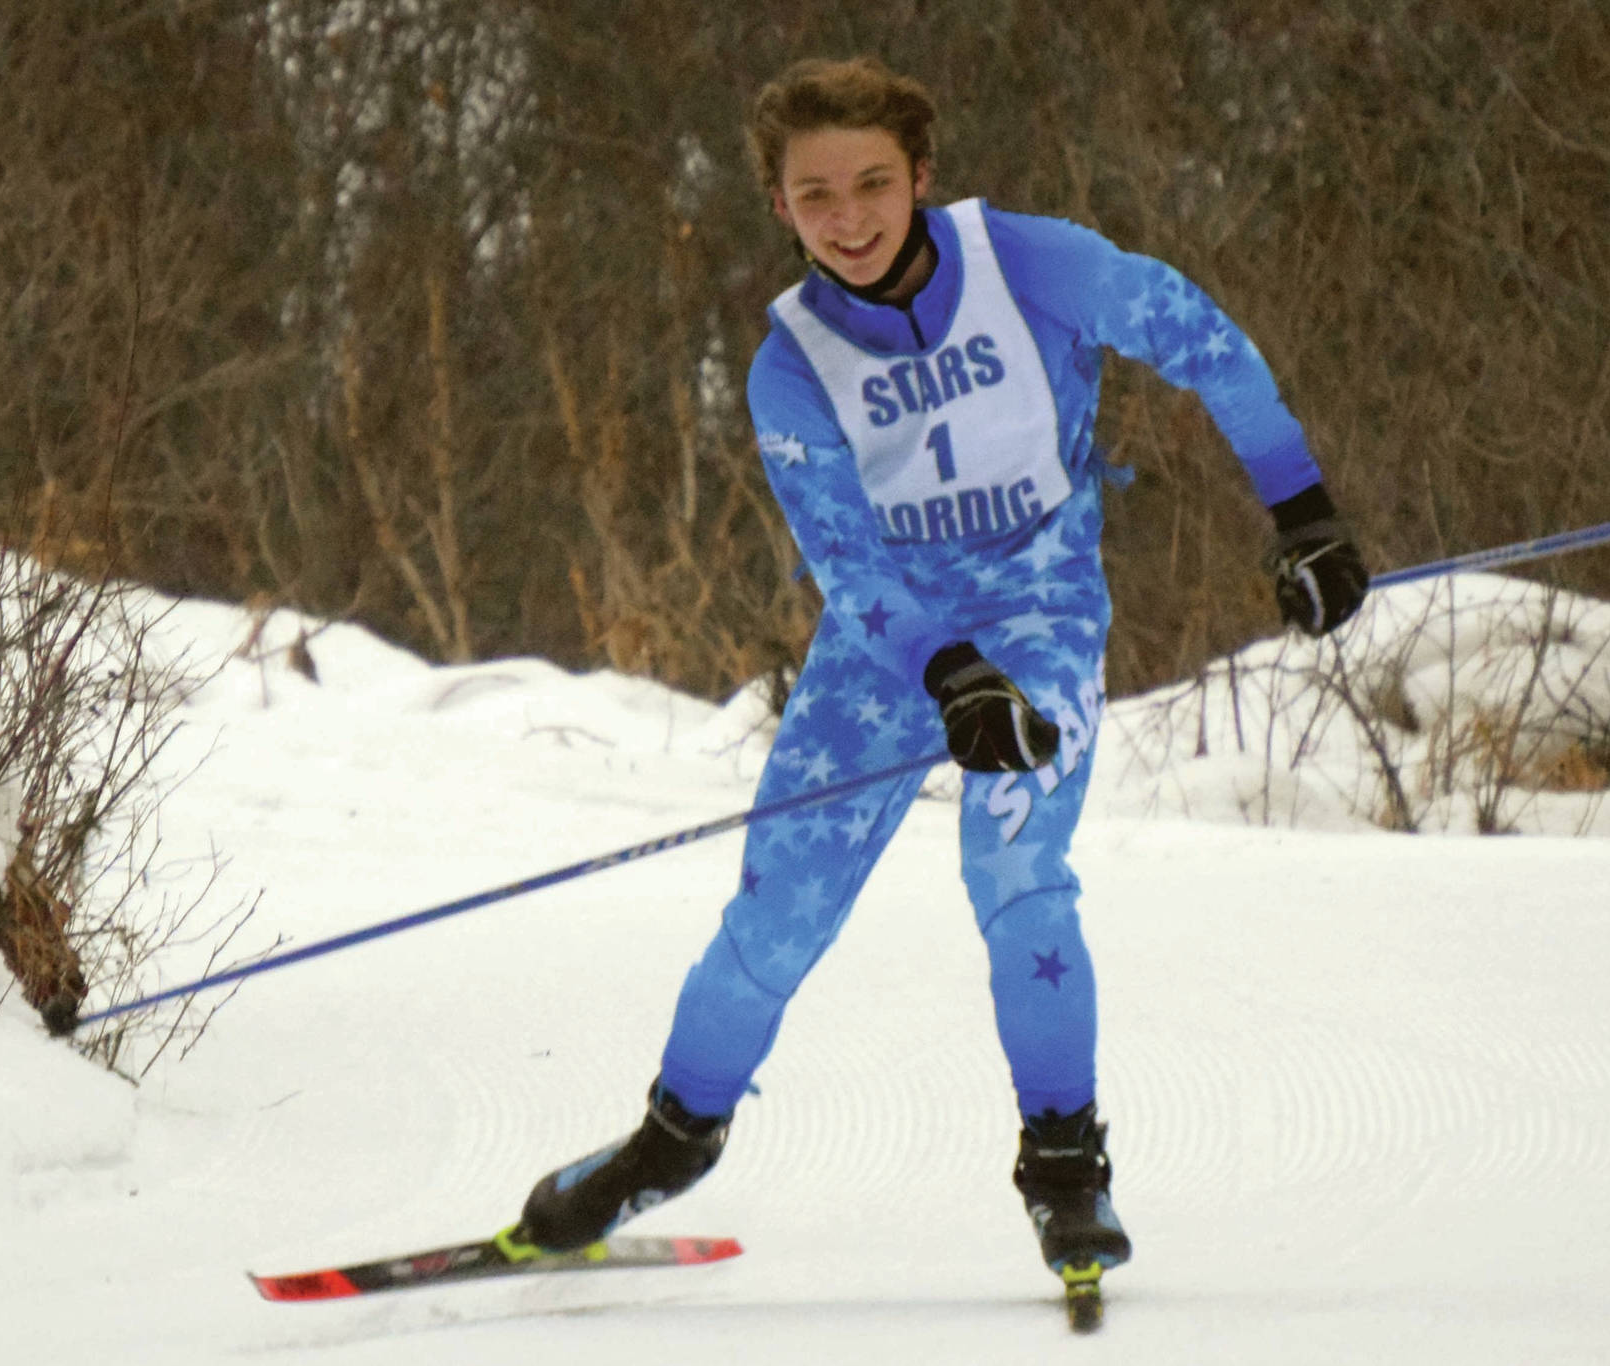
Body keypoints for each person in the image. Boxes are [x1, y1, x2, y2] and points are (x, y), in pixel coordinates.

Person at [504, 55, 1368, 1284]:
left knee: (1015, 865)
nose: (847, 219)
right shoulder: (789, 365)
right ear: (778, 206)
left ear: (920, 177)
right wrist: (943, 672)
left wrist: (1303, 511)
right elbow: (847, 562)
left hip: (1039, 610)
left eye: (870, 183)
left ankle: (1065, 1165)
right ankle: (669, 1141)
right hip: (887, 643)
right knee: (775, 911)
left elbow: (1205, 343)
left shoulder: (1030, 263)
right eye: (815, 196)